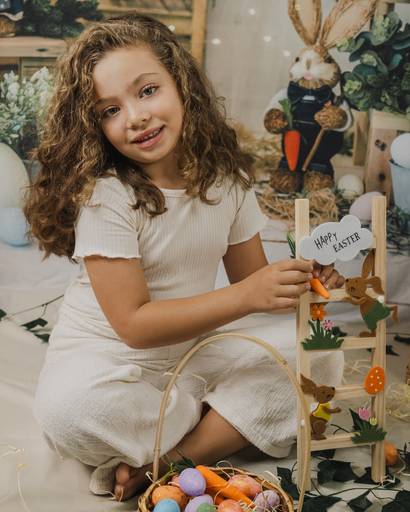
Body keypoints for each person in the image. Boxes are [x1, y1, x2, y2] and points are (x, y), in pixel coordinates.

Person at [24, 14, 345, 502]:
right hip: (107, 362)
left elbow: (255, 284)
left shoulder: (227, 183)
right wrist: (247, 296)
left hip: (192, 357)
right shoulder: (107, 195)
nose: (135, 117)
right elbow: (134, 325)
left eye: (148, 90)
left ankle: (174, 457)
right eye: (110, 110)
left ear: (181, 85)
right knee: (69, 411)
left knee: (318, 355)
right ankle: (214, 423)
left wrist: (302, 281)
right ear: (93, 127)